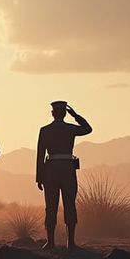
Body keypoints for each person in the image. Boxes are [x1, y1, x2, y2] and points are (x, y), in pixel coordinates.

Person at [36, 100, 92, 249]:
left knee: (51, 206)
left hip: (51, 170)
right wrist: (76, 116)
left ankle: (51, 242)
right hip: (68, 169)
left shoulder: (45, 130)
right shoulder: (70, 128)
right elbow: (88, 129)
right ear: (64, 113)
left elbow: (40, 154)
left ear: (53, 113)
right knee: (70, 205)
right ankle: (71, 242)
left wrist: (39, 177)